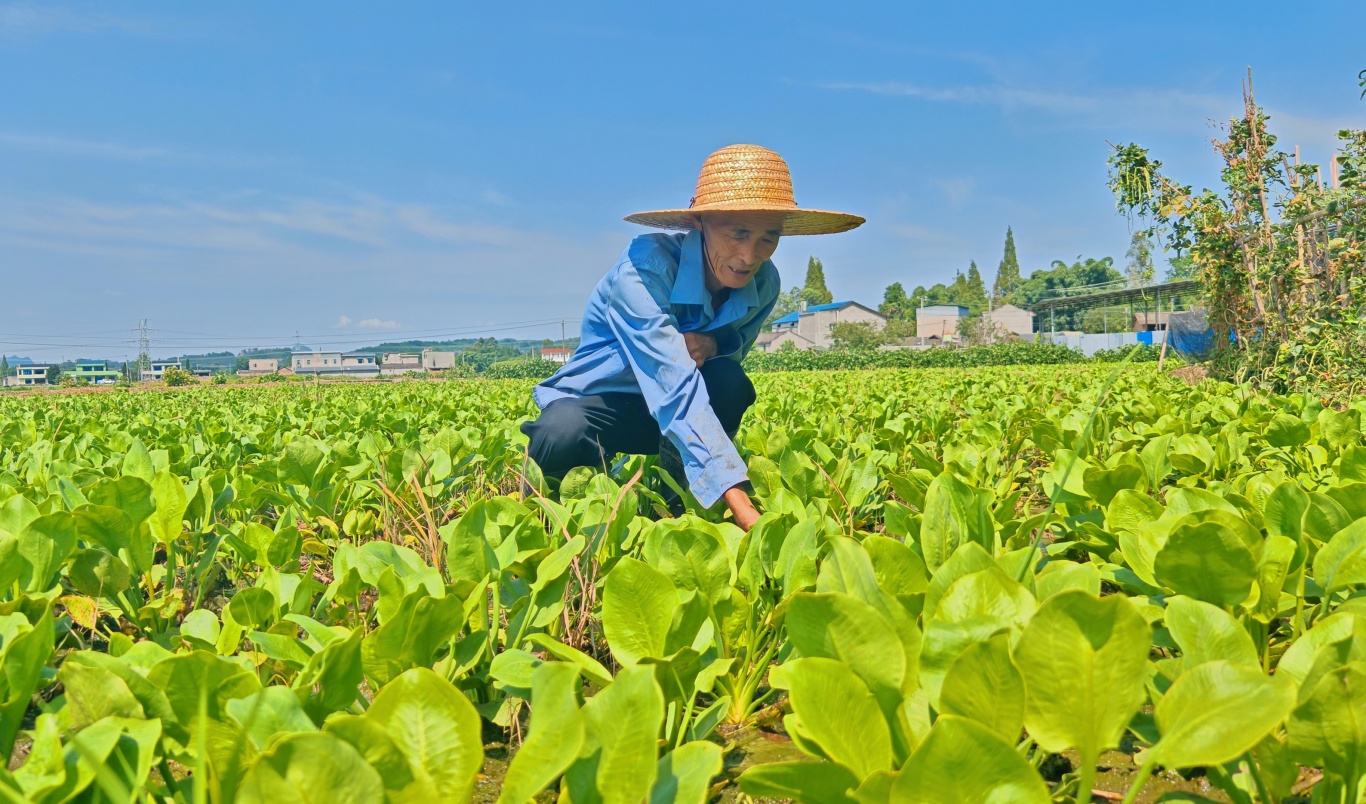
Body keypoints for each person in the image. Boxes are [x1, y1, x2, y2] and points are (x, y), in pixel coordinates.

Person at [521, 144, 863, 530]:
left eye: (769, 237)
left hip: (667, 413)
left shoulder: (765, 283)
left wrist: (714, 344)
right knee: (561, 430)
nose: (749, 256)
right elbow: (673, 384)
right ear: (700, 221)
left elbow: (723, 368)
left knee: (730, 383)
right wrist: (740, 501)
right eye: (738, 233)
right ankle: (546, 515)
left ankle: (679, 497)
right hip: (602, 407)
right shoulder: (643, 271)